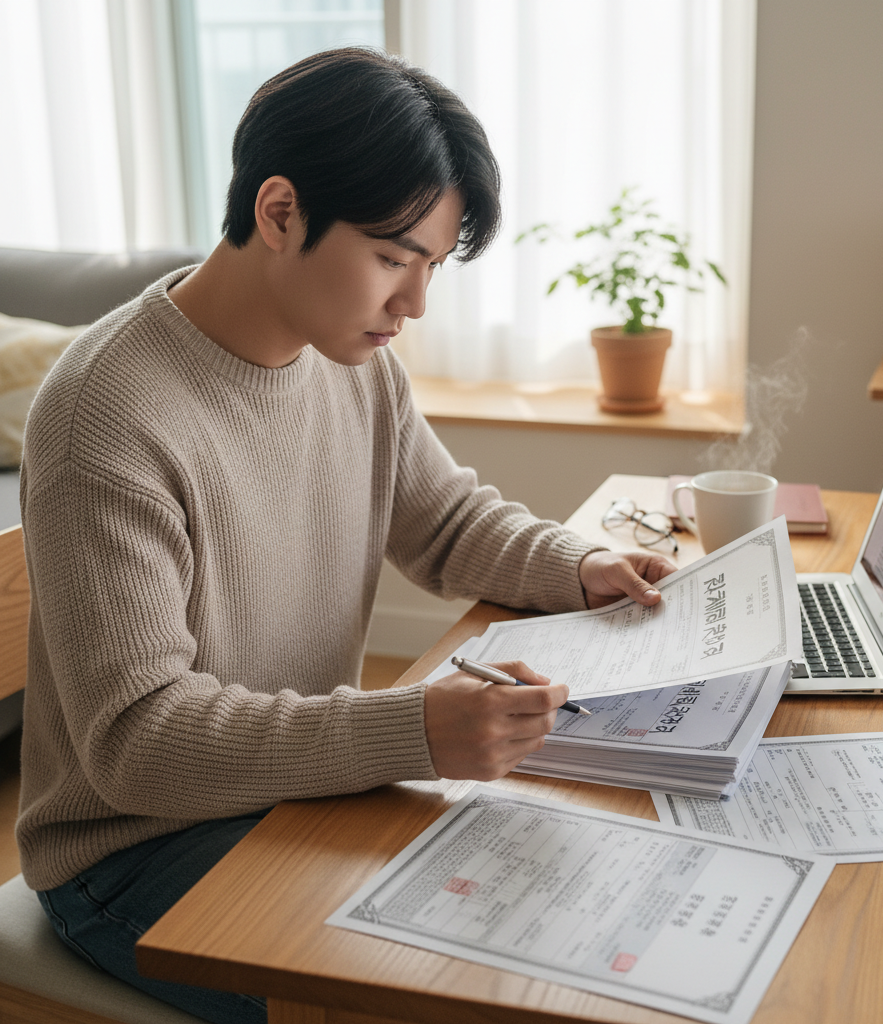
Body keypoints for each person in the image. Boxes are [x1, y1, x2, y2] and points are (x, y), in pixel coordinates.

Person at [16, 48, 675, 1024]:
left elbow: (444, 519)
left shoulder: (352, 361)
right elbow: (138, 741)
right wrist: (410, 727)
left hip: (291, 796)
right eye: (392, 258)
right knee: (452, 987)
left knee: (569, 910)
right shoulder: (105, 414)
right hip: (133, 852)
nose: (413, 304)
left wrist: (576, 565)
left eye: (432, 267)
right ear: (279, 213)